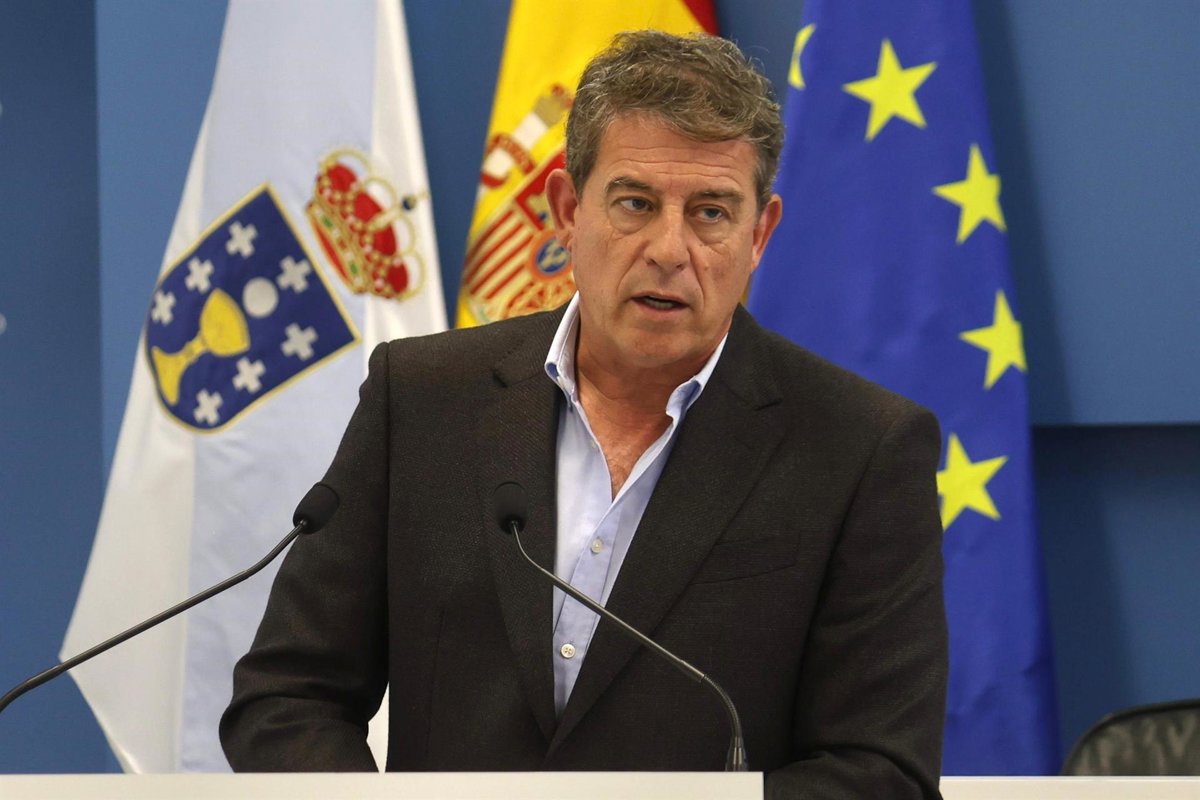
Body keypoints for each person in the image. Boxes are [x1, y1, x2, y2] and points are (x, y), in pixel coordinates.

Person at [221, 30, 948, 798]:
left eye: (710, 213)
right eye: (636, 204)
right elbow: (286, 697)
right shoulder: (424, 397)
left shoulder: (859, 448)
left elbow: (881, 772)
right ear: (568, 211)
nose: (669, 249)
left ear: (758, 235)